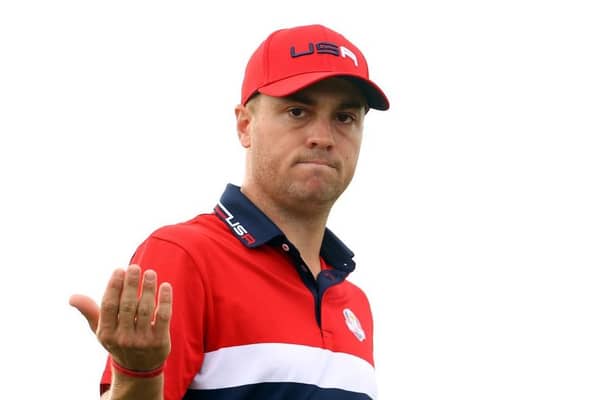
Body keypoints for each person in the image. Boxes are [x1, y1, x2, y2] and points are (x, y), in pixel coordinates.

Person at [70, 23, 389, 400]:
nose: (322, 136)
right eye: (298, 111)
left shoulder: (354, 304)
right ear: (245, 125)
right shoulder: (185, 256)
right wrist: (138, 376)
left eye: (345, 117)